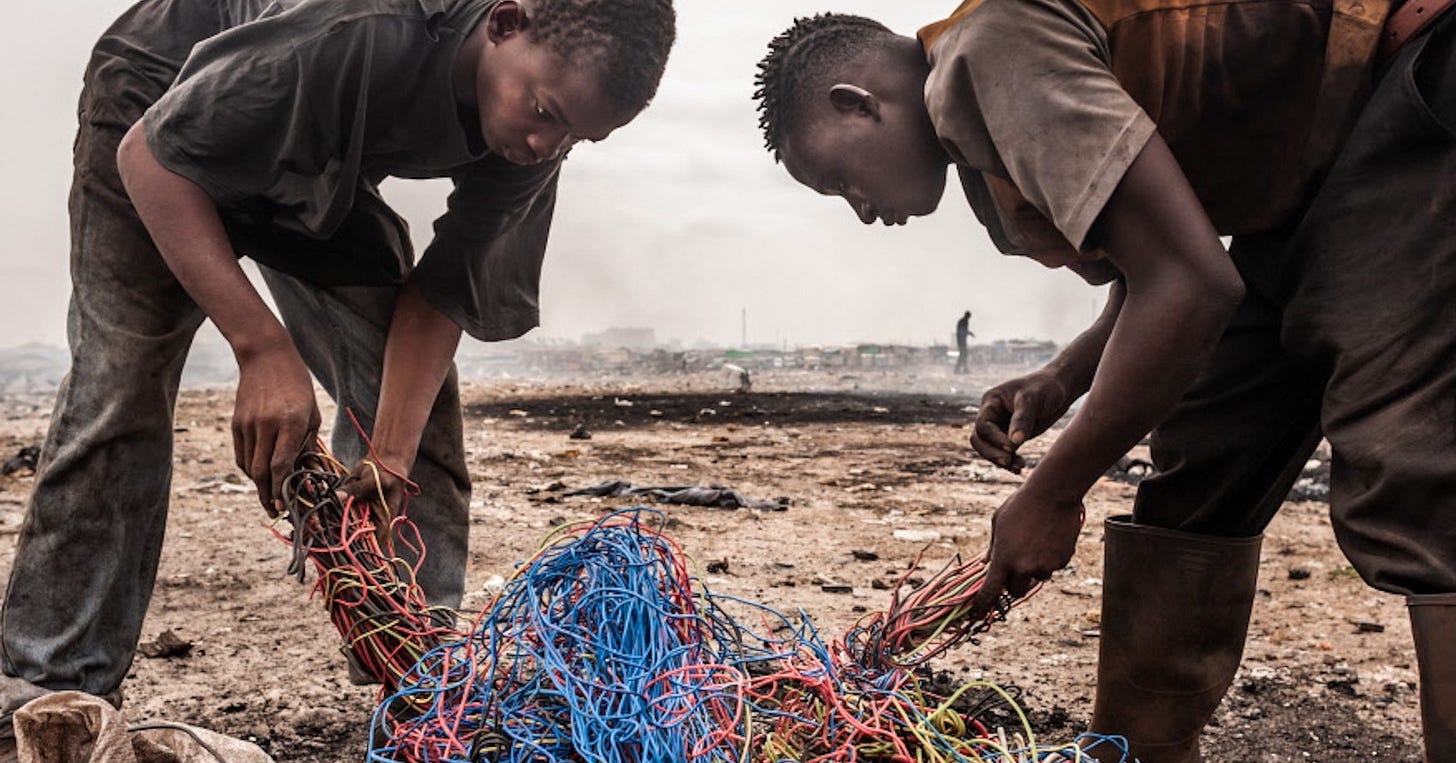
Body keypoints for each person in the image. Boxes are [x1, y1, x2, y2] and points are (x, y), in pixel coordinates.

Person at [754, 2, 1455, 761]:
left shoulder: (985, 52)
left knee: (1404, 463)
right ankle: (1136, 750)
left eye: (836, 180)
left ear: (857, 103)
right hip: (1299, 182)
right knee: (1200, 467)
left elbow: (1191, 284)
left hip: (1409, 80)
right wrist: (1064, 376)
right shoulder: (985, 150)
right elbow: (1162, 252)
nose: (860, 212)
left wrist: (1053, 492)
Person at [0, 0, 675, 738]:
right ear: (505, 23)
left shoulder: (538, 137)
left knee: (414, 423)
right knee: (120, 386)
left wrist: (388, 450)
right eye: (543, 111)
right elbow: (150, 156)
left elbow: (442, 292)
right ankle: (45, 691)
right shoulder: (367, 24)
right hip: (159, 106)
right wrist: (261, 348)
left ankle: (419, 681)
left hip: (309, 167)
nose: (547, 145)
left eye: (579, 135)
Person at [954, 309, 973, 374]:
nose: (969, 318)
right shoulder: (963, 321)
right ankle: (958, 369)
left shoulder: (964, 321)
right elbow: (961, 331)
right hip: (961, 341)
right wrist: (969, 333)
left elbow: (964, 331)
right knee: (962, 355)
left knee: (964, 355)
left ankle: (964, 369)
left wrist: (969, 333)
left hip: (962, 341)